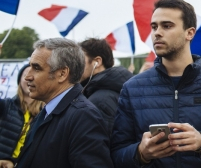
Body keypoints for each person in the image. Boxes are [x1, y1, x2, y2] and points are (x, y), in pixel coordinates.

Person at [111, 0, 201, 168]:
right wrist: (141, 153)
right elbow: (116, 155)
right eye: (154, 26)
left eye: (167, 26)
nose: (157, 32)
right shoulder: (132, 89)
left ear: (190, 33)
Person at [16, 38, 113, 168]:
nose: (28, 76)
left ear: (62, 74)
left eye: (36, 68)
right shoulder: (48, 111)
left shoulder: (83, 117)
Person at [79, 38, 133, 134]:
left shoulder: (99, 101)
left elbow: (97, 144)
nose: (76, 66)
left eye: (80, 60)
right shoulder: (108, 89)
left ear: (97, 62)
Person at [0, 65, 45, 168]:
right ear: (19, 80)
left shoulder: (44, 114)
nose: (29, 78)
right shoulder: (6, 105)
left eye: (34, 75)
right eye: (25, 75)